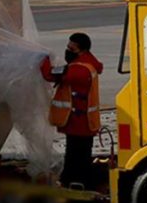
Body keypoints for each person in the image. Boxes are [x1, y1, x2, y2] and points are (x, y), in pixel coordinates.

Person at [40, 32, 103, 189]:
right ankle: (78, 180)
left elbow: (50, 75)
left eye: (71, 48)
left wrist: (42, 59)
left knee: (75, 155)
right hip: (85, 122)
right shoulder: (89, 62)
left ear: (82, 50)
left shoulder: (79, 70)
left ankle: (74, 182)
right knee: (81, 154)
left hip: (78, 122)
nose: (67, 51)